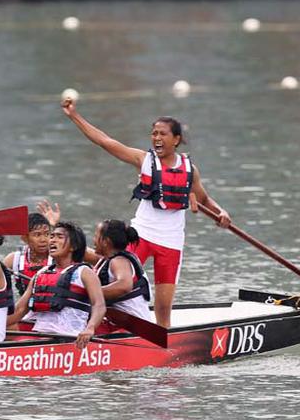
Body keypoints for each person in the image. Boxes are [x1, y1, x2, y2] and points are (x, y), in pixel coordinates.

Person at [61, 98, 230, 328]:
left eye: (162, 134)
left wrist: (220, 212)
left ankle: (163, 342)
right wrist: (74, 116)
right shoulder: (144, 160)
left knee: (162, 308)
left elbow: (204, 199)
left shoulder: (190, 169)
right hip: (141, 235)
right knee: (115, 281)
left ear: (176, 139)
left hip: (171, 242)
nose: (157, 138)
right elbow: (105, 141)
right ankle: (93, 318)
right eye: (154, 134)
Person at [7, 221, 105, 349]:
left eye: (59, 237)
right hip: (39, 334)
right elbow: (19, 310)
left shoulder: (84, 272)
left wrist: (90, 329)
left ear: (73, 246)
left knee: (18, 343)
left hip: (69, 337)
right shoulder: (40, 273)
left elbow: (99, 305)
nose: (52, 241)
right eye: (52, 236)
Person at [92, 219, 154, 325]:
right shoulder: (106, 259)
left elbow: (125, 285)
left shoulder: (119, 261)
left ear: (106, 242)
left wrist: (89, 292)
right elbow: (78, 251)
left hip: (134, 327)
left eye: (96, 236)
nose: (93, 240)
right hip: (118, 321)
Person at [3, 211, 54, 296]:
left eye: (47, 234)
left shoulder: (59, 256)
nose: (43, 240)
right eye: (37, 235)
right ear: (24, 238)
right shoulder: (13, 259)